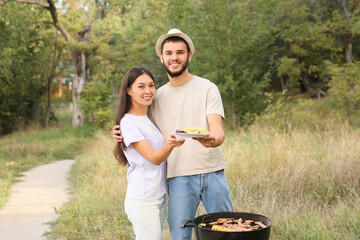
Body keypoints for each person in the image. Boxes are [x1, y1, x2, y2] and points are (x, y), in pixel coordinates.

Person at [113, 29, 233, 240]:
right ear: (161, 57)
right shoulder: (155, 96)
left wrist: (212, 140)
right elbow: (135, 121)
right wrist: (118, 131)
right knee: (180, 237)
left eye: (180, 52)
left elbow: (218, 132)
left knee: (224, 233)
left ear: (189, 55)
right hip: (178, 177)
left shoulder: (207, 88)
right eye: (168, 53)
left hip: (213, 171)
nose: (174, 57)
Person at [113, 66, 185, 240]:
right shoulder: (128, 123)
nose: (148, 91)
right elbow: (153, 158)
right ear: (128, 90)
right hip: (143, 198)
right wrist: (171, 144)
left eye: (151, 85)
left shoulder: (148, 117)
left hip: (158, 195)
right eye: (141, 86)